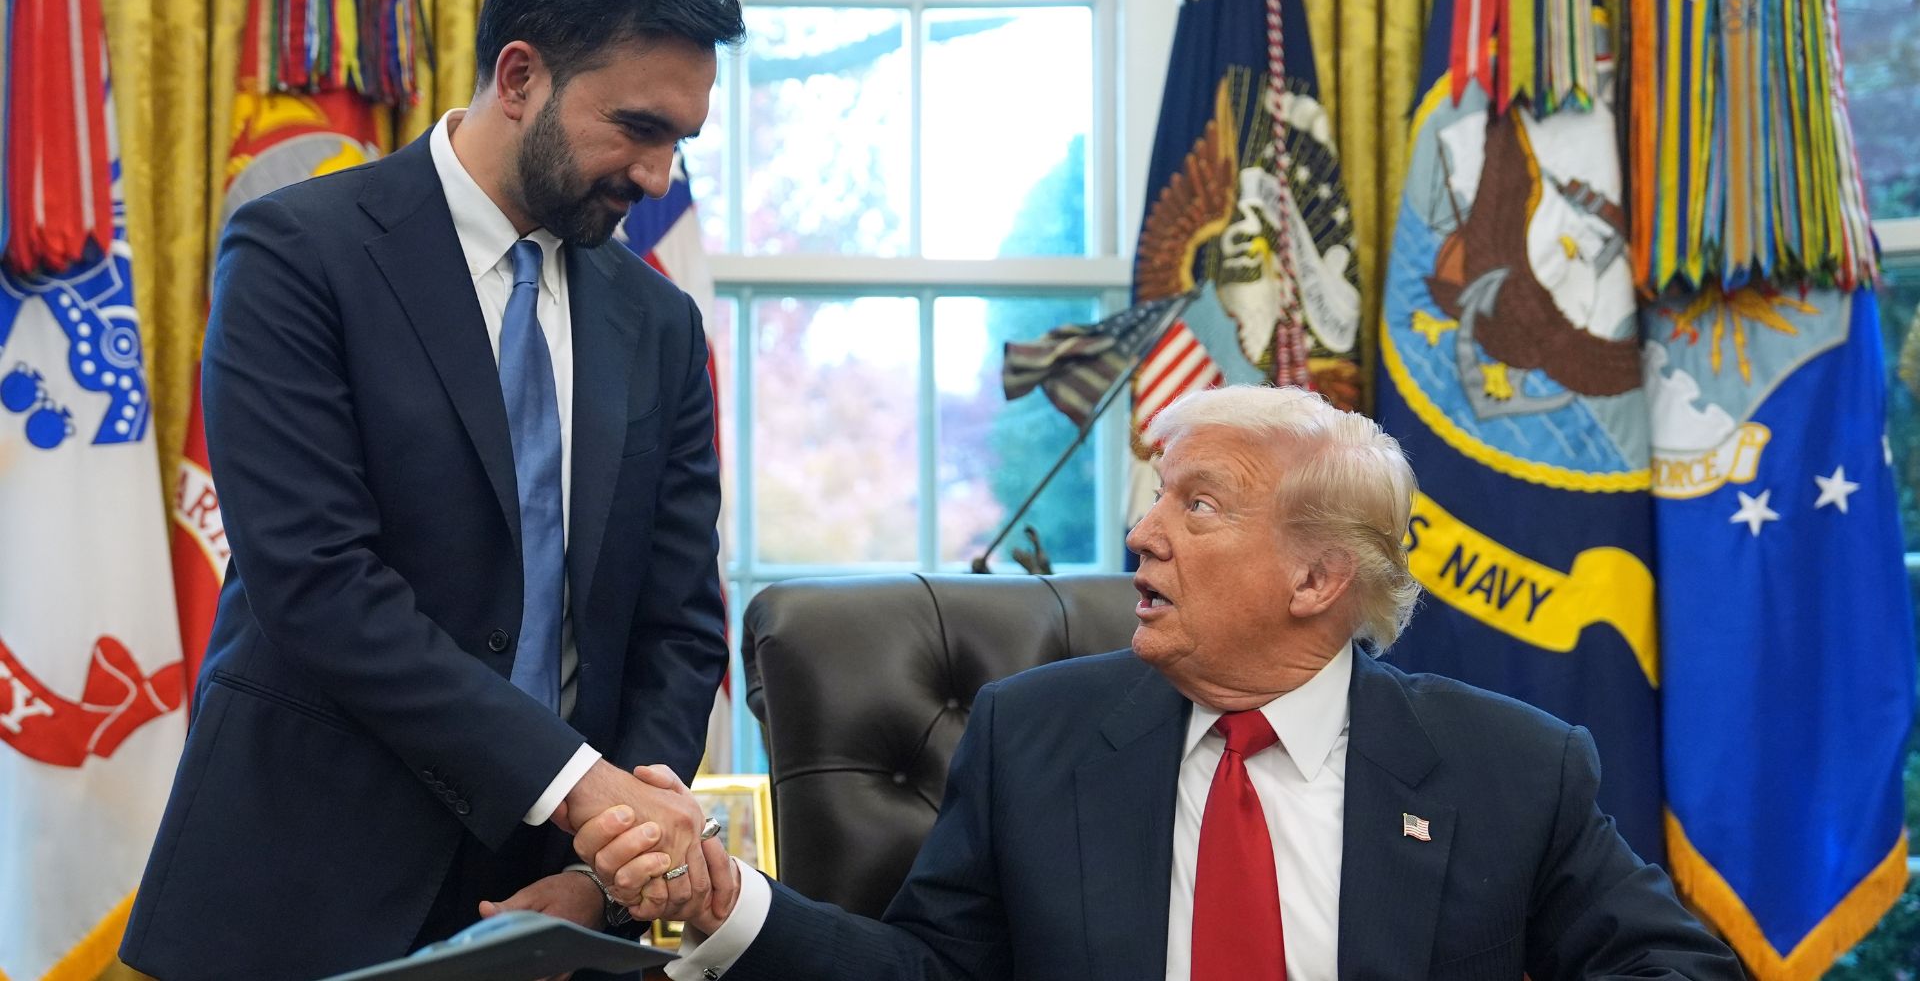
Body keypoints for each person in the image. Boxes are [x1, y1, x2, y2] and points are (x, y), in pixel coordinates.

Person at [577, 385, 1743, 981]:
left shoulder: (1510, 766)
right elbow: (924, 974)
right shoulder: (1032, 736)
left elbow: (1682, 967)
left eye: (1198, 505)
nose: (1140, 533)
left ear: (1318, 577)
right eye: (1156, 497)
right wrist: (724, 897)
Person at [120, 0, 744, 977]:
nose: (655, 176)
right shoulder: (296, 253)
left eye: (679, 142)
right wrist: (579, 783)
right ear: (518, 77)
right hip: (300, 890)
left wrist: (608, 862)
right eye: (638, 127)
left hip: (558, 901)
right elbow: (319, 583)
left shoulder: (659, 321)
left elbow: (680, 622)